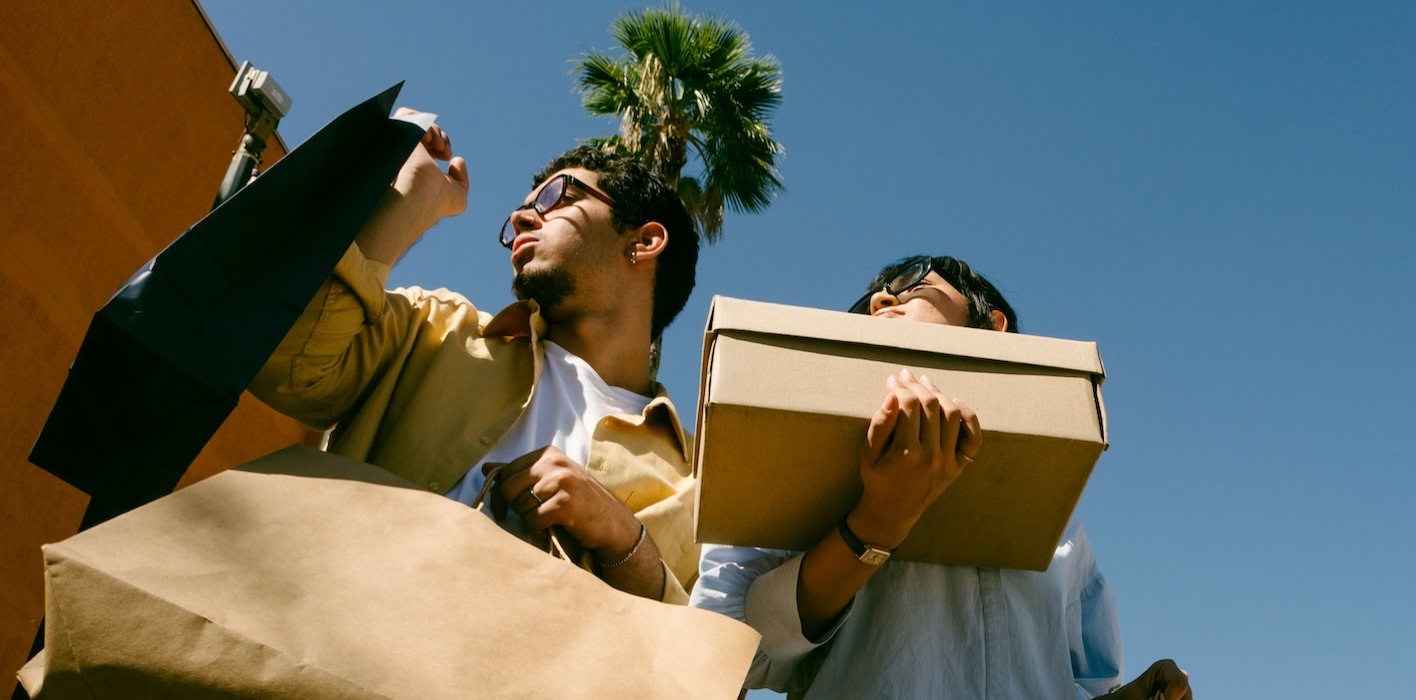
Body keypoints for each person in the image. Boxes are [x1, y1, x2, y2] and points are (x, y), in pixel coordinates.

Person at [249, 112, 702, 603]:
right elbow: (281, 361)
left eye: (557, 196)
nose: (523, 218)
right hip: (329, 646)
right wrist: (409, 204)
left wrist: (623, 539)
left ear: (645, 241)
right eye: (517, 216)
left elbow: (710, 662)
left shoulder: (695, 479)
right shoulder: (437, 329)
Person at [689, 255, 1191, 698]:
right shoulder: (795, 455)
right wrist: (873, 527)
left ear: (992, 327)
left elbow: (1083, 685)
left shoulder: (1060, 527)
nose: (884, 296)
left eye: (913, 281)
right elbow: (733, 647)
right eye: (871, 298)